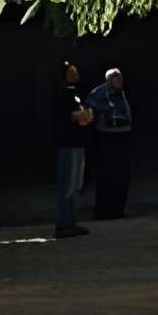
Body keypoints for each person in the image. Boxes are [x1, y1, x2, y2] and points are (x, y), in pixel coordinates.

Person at [52, 61, 93, 238]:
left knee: (74, 183)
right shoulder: (61, 93)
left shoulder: (74, 92)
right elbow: (61, 115)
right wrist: (80, 116)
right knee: (67, 184)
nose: (75, 73)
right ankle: (63, 224)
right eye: (71, 71)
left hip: (76, 143)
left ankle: (70, 221)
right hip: (67, 144)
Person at [88, 67, 134, 219]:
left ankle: (118, 210)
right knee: (106, 175)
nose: (119, 79)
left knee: (122, 175)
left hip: (123, 136)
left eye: (120, 76)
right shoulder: (99, 93)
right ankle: (103, 211)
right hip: (107, 138)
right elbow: (91, 108)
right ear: (108, 79)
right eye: (115, 76)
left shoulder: (123, 94)